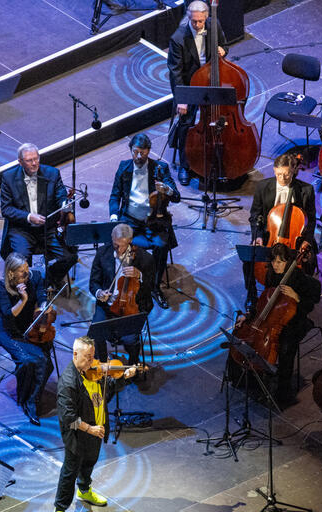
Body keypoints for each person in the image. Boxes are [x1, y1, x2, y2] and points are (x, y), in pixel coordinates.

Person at [52, 336, 137, 512]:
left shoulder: (93, 373)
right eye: (87, 357)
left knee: (90, 461)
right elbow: (68, 418)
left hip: (96, 429)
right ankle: (59, 511)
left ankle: (84, 490)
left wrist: (124, 376)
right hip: (79, 434)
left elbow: (107, 392)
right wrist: (89, 429)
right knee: (70, 471)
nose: (92, 362)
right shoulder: (68, 382)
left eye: (93, 357)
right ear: (75, 354)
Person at [232, 243, 321, 407]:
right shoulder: (272, 275)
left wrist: (297, 297)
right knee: (242, 332)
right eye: (273, 261)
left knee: (286, 346)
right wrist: (248, 315)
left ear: (288, 261)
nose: (275, 265)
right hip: (272, 319)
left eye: (280, 262)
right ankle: (251, 379)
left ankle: (283, 393)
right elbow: (264, 301)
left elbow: (311, 303)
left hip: (296, 320)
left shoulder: (299, 277)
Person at [108, 133, 181, 308]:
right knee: (121, 242)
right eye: (135, 152)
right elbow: (114, 195)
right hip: (130, 219)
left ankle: (155, 287)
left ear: (149, 151)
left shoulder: (160, 169)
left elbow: (177, 196)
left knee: (161, 245)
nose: (138, 156)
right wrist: (114, 216)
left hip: (154, 221)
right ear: (131, 151)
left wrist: (167, 190)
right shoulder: (124, 167)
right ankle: (127, 284)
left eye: (142, 152)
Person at [0, 143, 76, 292]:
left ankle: (51, 276)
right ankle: (27, 291)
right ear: (20, 162)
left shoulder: (52, 173)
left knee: (70, 256)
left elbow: (61, 194)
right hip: (22, 229)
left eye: (36, 159)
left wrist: (65, 204)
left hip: (49, 228)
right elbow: (6, 209)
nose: (34, 163)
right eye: (29, 160)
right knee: (20, 262)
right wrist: (28, 217)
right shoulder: (8, 178)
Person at [246, 153, 317, 309]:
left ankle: (298, 296)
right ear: (273, 170)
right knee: (248, 260)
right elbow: (254, 215)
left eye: (287, 175)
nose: (283, 179)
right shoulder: (263, 187)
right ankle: (251, 295)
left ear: (294, 171)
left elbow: (311, 220)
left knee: (308, 261)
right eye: (279, 174)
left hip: (296, 238)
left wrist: (307, 240)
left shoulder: (306, 190)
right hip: (270, 235)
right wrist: (257, 237)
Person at [167, 1, 226, 185]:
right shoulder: (178, 38)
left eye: (201, 21)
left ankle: (218, 158)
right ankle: (185, 165)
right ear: (189, 18)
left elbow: (225, 45)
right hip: (190, 83)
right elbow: (175, 72)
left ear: (206, 17)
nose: (198, 25)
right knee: (186, 123)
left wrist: (223, 51)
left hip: (211, 79)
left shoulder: (213, 25)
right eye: (194, 22)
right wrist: (181, 99)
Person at [0, 253, 55, 425]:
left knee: (46, 364)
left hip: (30, 328)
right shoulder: (1, 286)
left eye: (27, 270)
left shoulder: (33, 277)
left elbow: (42, 293)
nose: (27, 275)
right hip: (10, 332)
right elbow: (8, 315)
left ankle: (31, 395)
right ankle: (29, 401)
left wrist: (44, 304)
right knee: (33, 361)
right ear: (11, 273)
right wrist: (24, 299)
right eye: (22, 272)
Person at [89, 223, 154, 364]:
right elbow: (93, 282)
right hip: (107, 305)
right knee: (97, 331)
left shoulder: (144, 259)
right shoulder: (102, 253)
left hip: (132, 307)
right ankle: (102, 363)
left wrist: (140, 276)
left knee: (130, 339)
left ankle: (133, 364)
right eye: (114, 244)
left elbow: (151, 287)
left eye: (121, 246)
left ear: (129, 241)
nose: (117, 249)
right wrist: (99, 293)